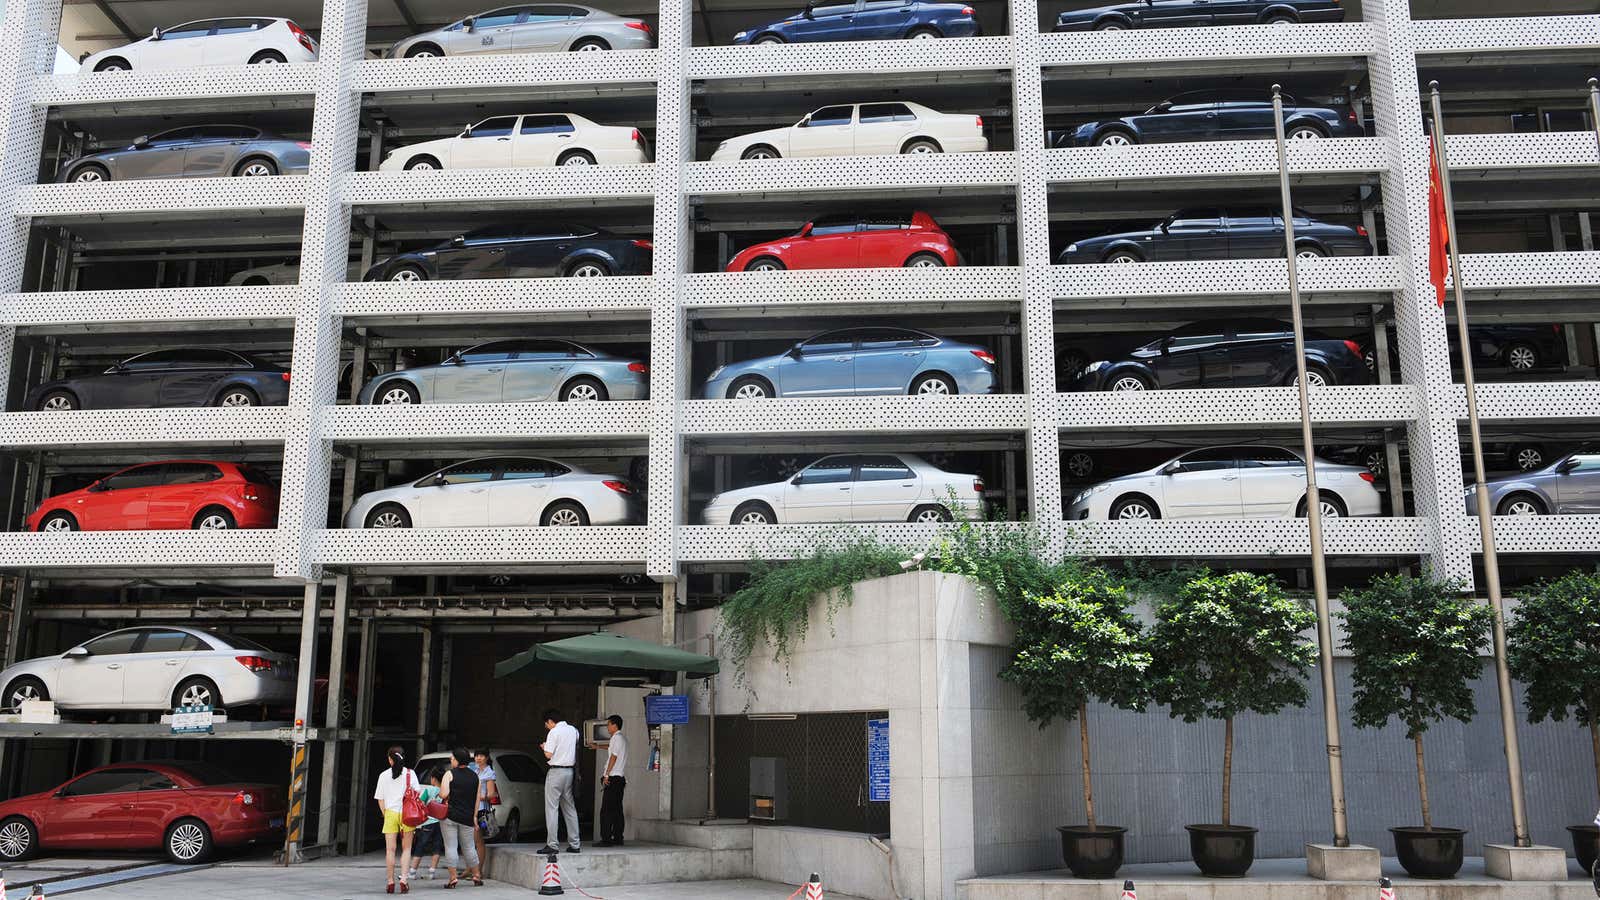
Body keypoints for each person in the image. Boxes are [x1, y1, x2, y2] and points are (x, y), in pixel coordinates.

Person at [373, 746, 417, 895]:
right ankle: (404, 880)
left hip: (390, 813)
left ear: (390, 759)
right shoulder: (411, 774)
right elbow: (417, 794)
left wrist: (386, 814)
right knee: (406, 849)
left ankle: (390, 882)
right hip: (407, 814)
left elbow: (380, 799)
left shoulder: (383, 775)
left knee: (390, 850)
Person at [438, 747, 483, 888]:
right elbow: (477, 800)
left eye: (452, 758)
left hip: (450, 816)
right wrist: (474, 817)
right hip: (467, 818)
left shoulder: (449, 774)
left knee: (451, 847)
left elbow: (444, 794)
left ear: (457, 760)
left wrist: (442, 794)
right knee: (469, 847)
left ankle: (453, 878)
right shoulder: (475, 777)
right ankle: (476, 875)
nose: (451, 760)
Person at [539, 709, 581, 854]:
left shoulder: (554, 732)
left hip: (556, 772)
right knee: (569, 808)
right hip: (569, 772)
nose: (546, 727)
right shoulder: (573, 730)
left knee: (552, 808)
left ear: (551, 721)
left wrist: (544, 748)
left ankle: (552, 844)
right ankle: (575, 844)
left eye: (547, 724)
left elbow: (549, 755)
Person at [596, 715, 628, 847]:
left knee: (606, 811)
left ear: (615, 725)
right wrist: (597, 747)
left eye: (608, 724)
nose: (607, 727)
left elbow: (613, 757)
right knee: (617, 810)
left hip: (613, 778)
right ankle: (618, 837)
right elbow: (612, 749)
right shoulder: (621, 739)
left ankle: (606, 839)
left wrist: (607, 775)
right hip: (620, 779)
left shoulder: (616, 738)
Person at [408, 770, 444, 882]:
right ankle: (432, 872)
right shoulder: (445, 792)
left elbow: (420, 803)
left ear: (433, 779)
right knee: (437, 847)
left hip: (428, 822)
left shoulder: (428, 790)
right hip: (440, 823)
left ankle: (412, 872)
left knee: (420, 846)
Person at [472, 749, 500, 864]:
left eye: (481, 755)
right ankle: (471, 868)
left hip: (481, 809)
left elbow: (491, 794)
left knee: (478, 841)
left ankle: (478, 870)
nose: (478, 758)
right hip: (472, 807)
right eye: (476, 756)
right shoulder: (475, 770)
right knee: (471, 841)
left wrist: (477, 796)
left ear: (487, 757)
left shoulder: (489, 773)